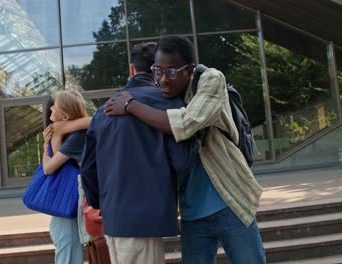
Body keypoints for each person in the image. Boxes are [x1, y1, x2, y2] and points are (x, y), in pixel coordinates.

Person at [104, 35, 266, 264]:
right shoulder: (160, 95)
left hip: (230, 201)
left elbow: (186, 123)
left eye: (171, 72)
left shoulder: (211, 79)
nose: (163, 79)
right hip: (191, 214)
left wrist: (131, 105)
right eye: (157, 71)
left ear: (189, 69)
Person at [80, 42, 199, 264]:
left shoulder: (103, 111)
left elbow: (87, 168)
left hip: (114, 218)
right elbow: (182, 162)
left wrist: (104, 203)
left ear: (131, 69)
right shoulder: (167, 103)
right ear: (157, 69)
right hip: (145, 219)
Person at [42, 90, 89, 264]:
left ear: (66, 115)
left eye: (56, 106)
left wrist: (53, 138)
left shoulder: (77, 137)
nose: (51, 108)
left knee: (67, 254)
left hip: (68, 207)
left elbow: (48, 167)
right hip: (66, 206)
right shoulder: (71, 134)